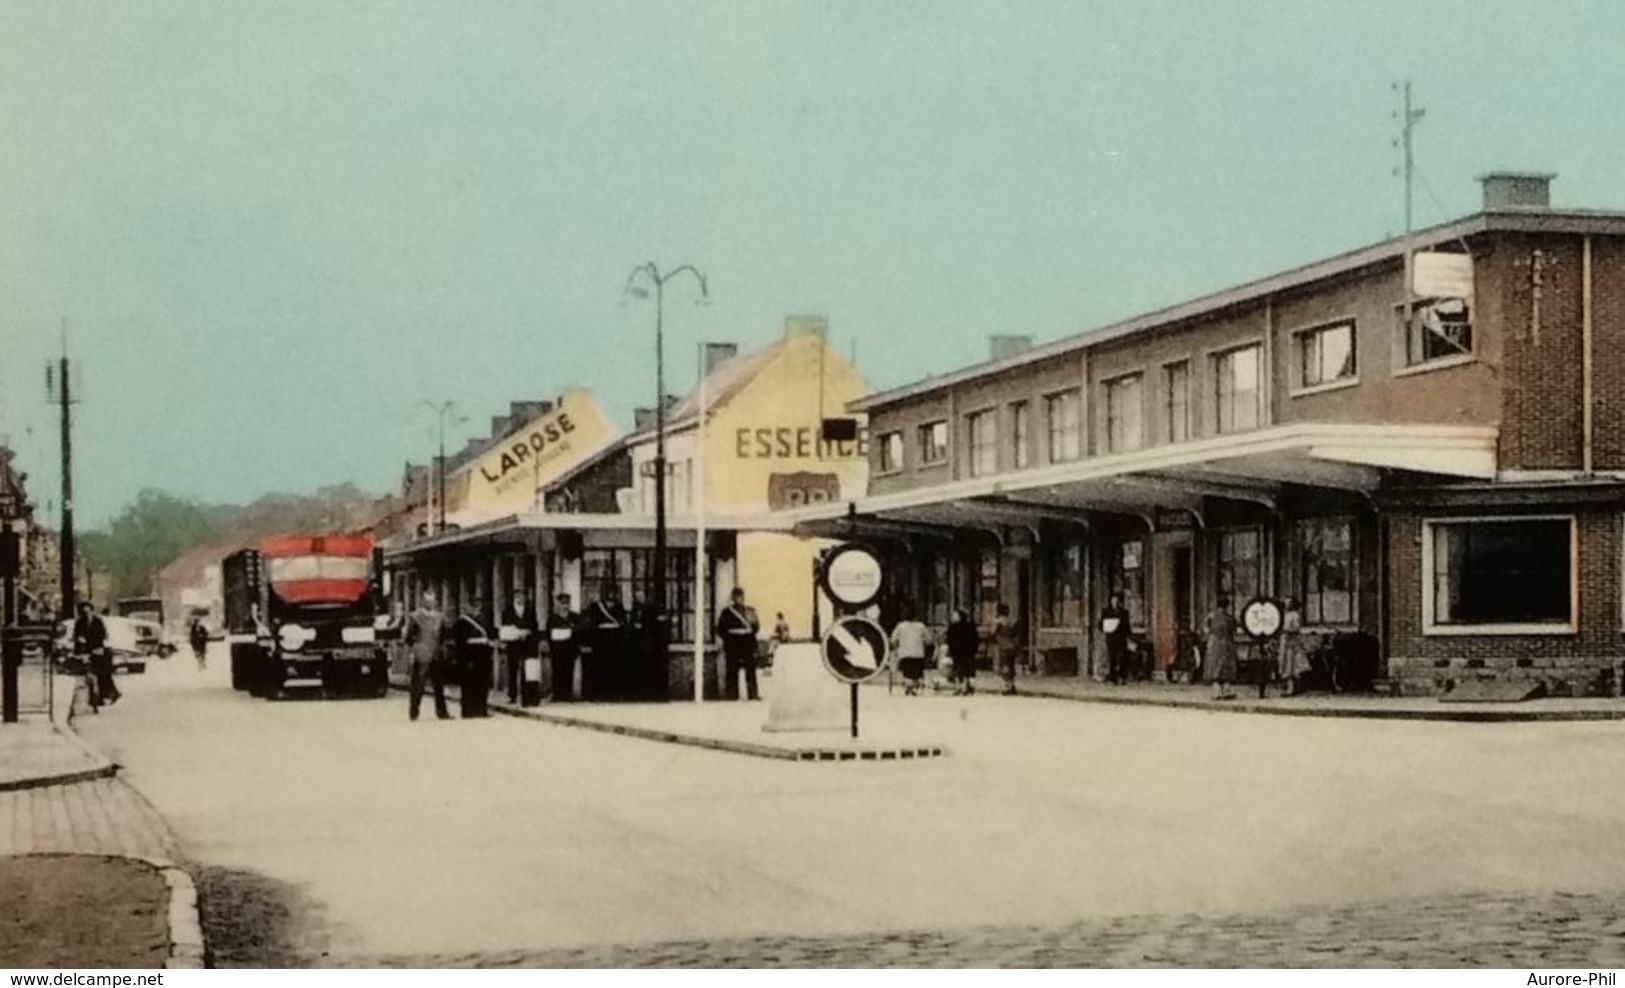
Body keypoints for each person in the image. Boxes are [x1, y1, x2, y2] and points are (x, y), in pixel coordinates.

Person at [404, 590, 451, 721]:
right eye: (427, 600)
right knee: (418, 684)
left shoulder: (440, 617)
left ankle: (442, 712)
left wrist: (441, 649)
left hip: (436, 653)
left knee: (439, 685)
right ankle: (414, 712)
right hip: (422, 652)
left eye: (432, 600)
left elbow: (443, 635)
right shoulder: (415, 616)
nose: (430, 603)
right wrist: (416, 648)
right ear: (422, 601)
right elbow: (408, 637)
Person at [450, 596, 493, 718]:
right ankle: (468, 710)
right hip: (469, 656)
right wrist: (463, 659)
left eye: (478, 606)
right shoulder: (462, 622)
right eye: (474, 606)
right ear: (468, 607)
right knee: (468, 684)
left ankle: (481, 709)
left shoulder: (484, 619)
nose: (476, 609)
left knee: (483, 683)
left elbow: (489, 635)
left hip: (483, 655)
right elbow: (460, 643)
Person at [584, 583, 629, 701]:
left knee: (615, 670)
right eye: (609, 592)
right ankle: (600, 695)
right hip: (601, 643)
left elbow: (623, 623)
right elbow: (591, 624)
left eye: (613, 592)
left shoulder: (619, 607)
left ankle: (614, 694)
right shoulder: (595, 607)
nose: (611, 595)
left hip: (615, 644)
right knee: (600, 669)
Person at [715, 586, 760, 701]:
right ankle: (732, 695)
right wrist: (729, 638)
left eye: (740, 596)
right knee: (732, 670)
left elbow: (755, 627)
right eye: (736, 597)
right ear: (733, 598)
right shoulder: (727, 613)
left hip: (747, 644)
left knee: (750, 670)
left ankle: (753, 694)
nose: (739, 599)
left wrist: (750, 636)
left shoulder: (750, 611)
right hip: (733, 644)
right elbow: (720, 629)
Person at [73, 601, 119, 710]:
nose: (87, 614)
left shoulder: (98, 621)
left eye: (88, 611)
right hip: (85, 650)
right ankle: (93, 696)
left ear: (91, 610)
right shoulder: (79, 622)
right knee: (86, 673)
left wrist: (99, 647)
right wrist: (79, 641)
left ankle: (106, 694)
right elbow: (76, 635)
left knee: (102, 672)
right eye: (84, 612)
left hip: (97, 649)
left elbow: (103, 634)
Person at [500, 590, 539, 705]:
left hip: (527, 645)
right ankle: (512, 696)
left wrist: (528, 632)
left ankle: (527, 696)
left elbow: (534, 626)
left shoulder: (530, 611)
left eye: (522, 596)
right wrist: (514, 633)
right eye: (517, 596)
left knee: (528, 670)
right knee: (513, 670)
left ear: (525, 598)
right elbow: (505, 629)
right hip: (513, 645)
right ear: (513, 598)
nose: (520, 599)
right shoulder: (507, 612)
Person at [545, 593, 580, 702]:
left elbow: (578, 633)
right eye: (563, 603)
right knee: (557, 672)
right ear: (558, 604)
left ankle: (567, 694)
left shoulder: (575, 617)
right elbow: (549, 635)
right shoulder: (553, 619)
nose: (565, 606)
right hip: (557, 650)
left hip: (570, 650)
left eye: (567, 603)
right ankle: (557, 694)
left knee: (569, 671)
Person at [1204, 595, 1239, 701]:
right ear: (1227, 606)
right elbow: (1234, 631)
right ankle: (1226, 691)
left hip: (1214, 643)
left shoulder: (1210, 617)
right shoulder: (1230, 618)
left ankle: (1216, 692)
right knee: (1227, 667)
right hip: (1227, 643)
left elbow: (1206, 630)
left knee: (1214, 666)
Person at [890, 607, 931, 696]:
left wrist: (897, 647)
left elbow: (893, 640)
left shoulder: (900, 626)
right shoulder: (921, 626)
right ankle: (914, 686)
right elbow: (929, 640)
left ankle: (909, 685)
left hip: (905, 654)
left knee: (907, 672)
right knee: (916, 672)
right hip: (918, 654)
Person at [1276, 596, 1311, 697]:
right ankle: (1289, 687)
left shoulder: (1294, 615)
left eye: (1289, 603)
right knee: (1285, 663)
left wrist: (1285, 631)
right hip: (1284, 640)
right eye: (1286, 602)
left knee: (1291, 665)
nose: (1287, 605)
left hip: (1291, 641)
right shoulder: (1284, 615)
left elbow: (1296, 628)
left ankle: (1292, 688)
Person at [945, 608, 980, 695]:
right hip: (967, 651)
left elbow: (949, 639)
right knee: (966, 669)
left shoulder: (953, 628)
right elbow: (975, 638)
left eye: (954, 616)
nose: (952, 617)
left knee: (959, 669)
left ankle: (960, 686)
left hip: (959, 651)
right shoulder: (970, 626)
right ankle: (966, 685)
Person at [1099, 592, 1132, 684]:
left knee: (1121, 657)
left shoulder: (1124, 612)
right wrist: (1107, 627)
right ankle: (1112, 677)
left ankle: (1121, 676)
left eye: (1117, 601)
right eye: (1113, 601)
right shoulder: (1106, 612)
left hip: (1121, 638)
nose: (1115, 602)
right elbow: (1101, 625)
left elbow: (1127, 626)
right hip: (1111, 638)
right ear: (1110, 601)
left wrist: (1129, 637)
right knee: (1112, 657)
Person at [993, 603, 1019, 695]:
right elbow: (1015, 634)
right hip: (1012, 646)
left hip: (1003, 647)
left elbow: (993, 632)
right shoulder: (1012, 621)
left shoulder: (998, 622)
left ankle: (1006, 687)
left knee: (1004, 666)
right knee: (1011, 666)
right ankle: (1012, 686)